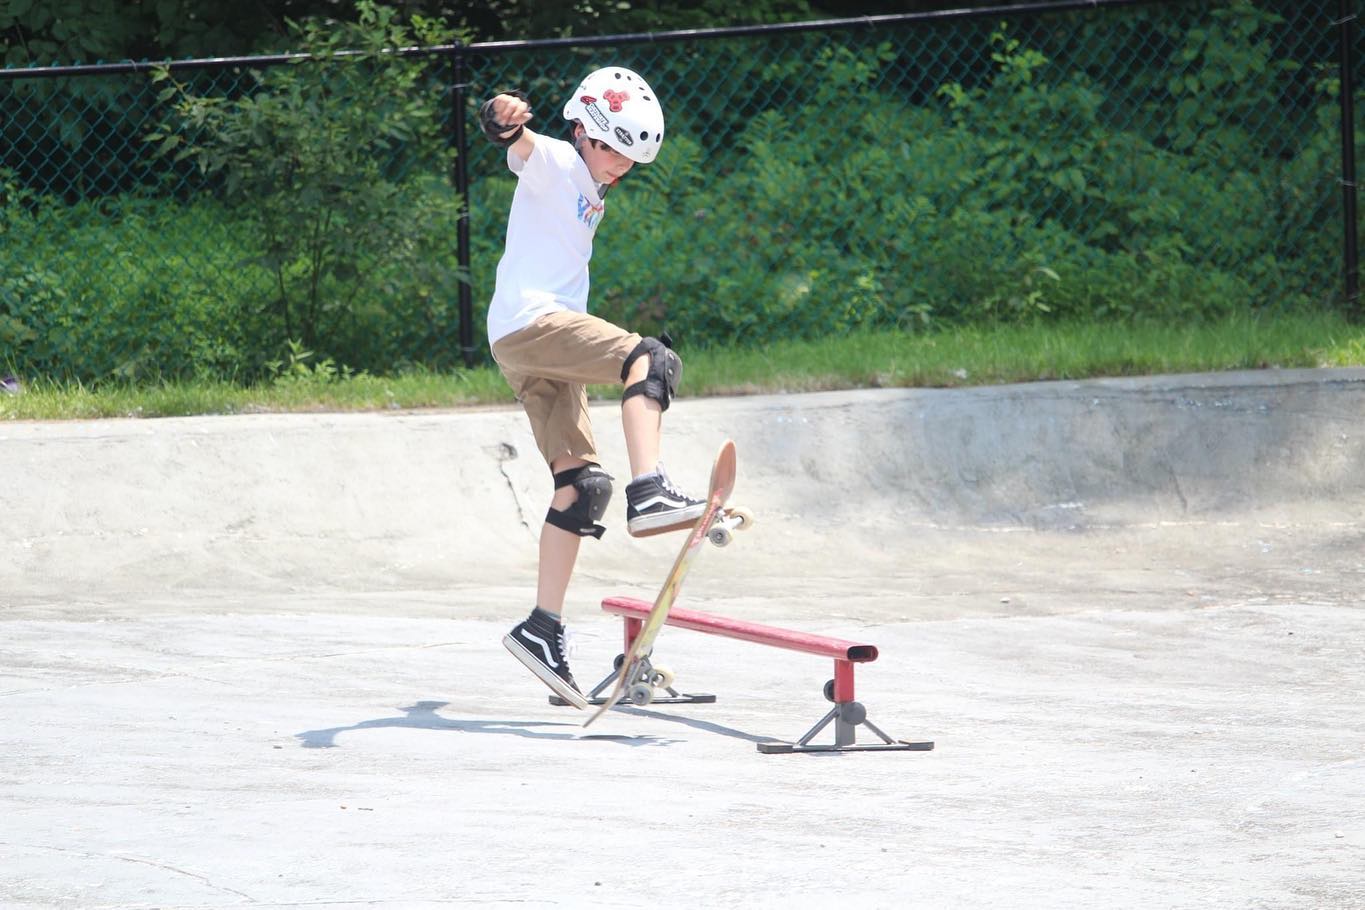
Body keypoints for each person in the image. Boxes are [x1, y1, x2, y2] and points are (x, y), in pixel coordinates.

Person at [479, 67, 705, 709]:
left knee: (582, 487)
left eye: (633, 161)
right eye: (616, 152)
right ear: (586, 133)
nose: (622, 168)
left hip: (521, 342)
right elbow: (515, 141)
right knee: (651, 360)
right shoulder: (554, 158)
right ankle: (652, 489)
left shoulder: (590, 183)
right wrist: (502, 118)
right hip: (535, 323)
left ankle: (541, 630)